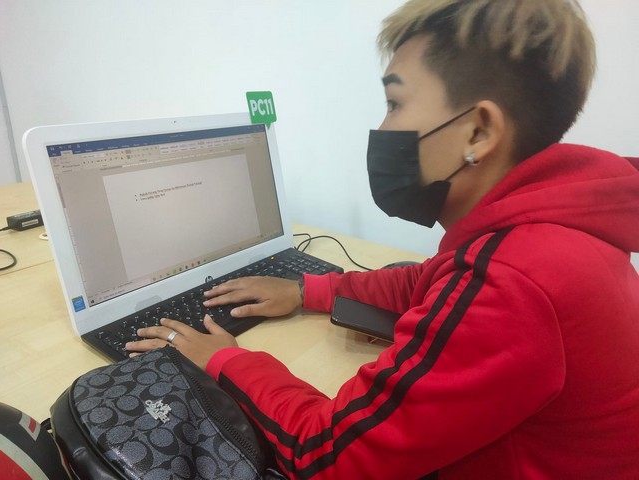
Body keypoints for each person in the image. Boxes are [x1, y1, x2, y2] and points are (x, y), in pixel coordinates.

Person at [127, 0, 639, 478]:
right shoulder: (543, 232)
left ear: (478, 132)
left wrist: (222, 360)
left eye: (394, 103)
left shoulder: (513, 279)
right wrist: (308, 290)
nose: (381, 126)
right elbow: (426, 283)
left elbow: (327, 456)